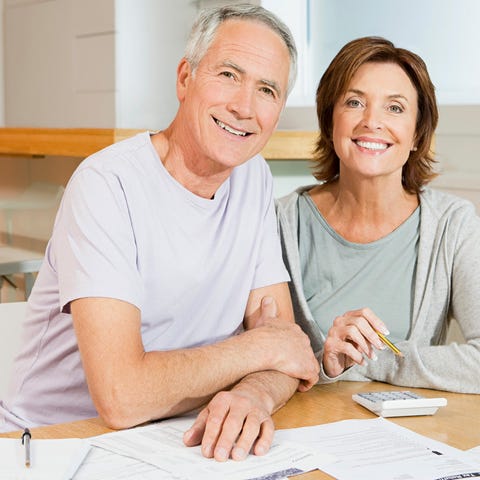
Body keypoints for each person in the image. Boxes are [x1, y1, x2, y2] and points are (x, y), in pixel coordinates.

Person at [0, 4, 320, 461]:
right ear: (185, 78)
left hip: (173, 441)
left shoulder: (254, 179)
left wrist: (255, 396)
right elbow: (121, 396)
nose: (244, 106)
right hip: (49, 446)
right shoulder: (107, 185)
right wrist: (256, 350)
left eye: (266, 89)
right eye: (228, 74)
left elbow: (284, 346)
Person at [277, 36, 480, 394]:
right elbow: (256, 350)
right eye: (355, 102)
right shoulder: (279, 223)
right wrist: (327, 362)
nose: (372, 122)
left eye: (395, 108)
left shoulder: (454, 225)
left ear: (418, 134)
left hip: (411, 438)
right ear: (330, 121)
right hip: (301, 436)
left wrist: (374, 358)